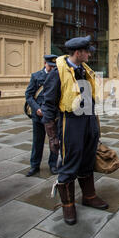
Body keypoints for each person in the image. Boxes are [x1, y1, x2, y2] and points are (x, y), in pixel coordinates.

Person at [42, 35, 108, 225]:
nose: (89, 54)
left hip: (88, 120)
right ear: (78, 52)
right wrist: (52, 136)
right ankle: (68, 205)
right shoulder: (57, 72)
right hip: (70, 122)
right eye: (87, 51)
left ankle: (89, 196)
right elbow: (47, 105)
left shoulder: (85, 70)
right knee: (70, 162)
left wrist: (95, 126)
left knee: (87, 159)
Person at [25, 55, 60, 177]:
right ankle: (34, 165)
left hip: (53, 115)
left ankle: (53, 165)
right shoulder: (36, 76)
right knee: (37, 141)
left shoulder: (58, 76)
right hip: (39, 115)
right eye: (50, 66)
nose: (52, 68)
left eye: (54, 66)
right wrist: (36, 109)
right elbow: (29, 95)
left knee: (54, 140)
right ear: (45, 63)